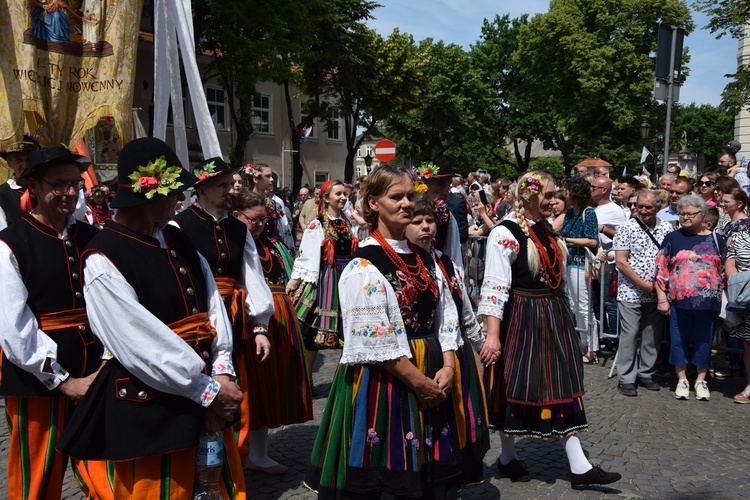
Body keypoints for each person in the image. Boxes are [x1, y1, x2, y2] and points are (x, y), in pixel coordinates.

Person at [57, 138, 246, 499]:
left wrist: (222, 370)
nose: (181, 200)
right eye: (174, 193)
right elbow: (140, 345)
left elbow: (212, 312)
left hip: (201, 392)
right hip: (152, 408)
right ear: (149, 195)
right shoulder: (103, 257)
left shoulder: (178, 241)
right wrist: (208, 392)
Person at [304, 165, 463, 498]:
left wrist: (448, 366)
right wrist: (420, 383)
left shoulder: (426, 257)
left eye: (410, 196)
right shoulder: (363, 265)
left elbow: (446, 314)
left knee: (427, 473)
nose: (406, 203)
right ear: (373, 203)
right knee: (386, 471)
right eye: (396, 197)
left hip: (431, 369)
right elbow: (375, 340)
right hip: (387, 379)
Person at [477, 171, 620, 487]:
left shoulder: (544, 229)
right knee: (516, 386)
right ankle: (509, 457)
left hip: (552, 316)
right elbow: (495, 288)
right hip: (523, 318)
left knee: (561, 385)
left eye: (557, 194)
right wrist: (493, 335)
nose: (556, 200)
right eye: (549, 194)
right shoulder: (505, 233)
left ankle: (575, 465)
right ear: (529, 195)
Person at [0, 145, 107, 500]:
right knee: (38, 476)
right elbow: (15, 328)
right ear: (33, 185)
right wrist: (62, 380)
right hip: (36, 380)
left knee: (105, 468)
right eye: (58, 185)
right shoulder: (10, 244)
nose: (70, 193)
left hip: (95, 372)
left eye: (75, 184)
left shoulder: (92, 238)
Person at [172, 157, 276, 470]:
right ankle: (201, 467)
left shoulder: (237, 228)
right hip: (198, 320)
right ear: (201, 190)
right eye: (223, 185)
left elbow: (251, 276)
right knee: (201, 396)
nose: (232, 188)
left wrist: (259, 326)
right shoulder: (180, 225)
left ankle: (235, 464)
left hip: (234, 319)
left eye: (232, 183)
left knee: (236, 393)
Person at [404, 196, 490, 486]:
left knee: (458, 416)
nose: (426, 227)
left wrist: (481, 344)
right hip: (423, 353)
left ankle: (453, 475)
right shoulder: (404, 265)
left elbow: (464, 308)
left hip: (457, 352)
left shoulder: (447, 262)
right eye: (417, 222)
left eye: (430, 221)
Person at [229, 191, 314, 472]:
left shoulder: (268, 242)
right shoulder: (232, 242)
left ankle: (258, 454)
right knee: (252, 384)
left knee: (268, 383)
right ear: (236, 215)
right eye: (255, 219)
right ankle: (242, 452)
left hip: (278, 313)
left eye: (264, 219)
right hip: (247, 318)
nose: (261, 224)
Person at [655, 194, 726, 401]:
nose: (684, 217)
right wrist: (662, 298)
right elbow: (661, 270)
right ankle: (682, 379)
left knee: (705, 342)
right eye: (681, 213)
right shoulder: (673, 238)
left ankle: (701, 380)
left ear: (702, 215)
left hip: (708, 302)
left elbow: (723, 270)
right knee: (678, 340)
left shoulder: (717, 239)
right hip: (679, 301)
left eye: (689, 214)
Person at [287, 180, 357, 385]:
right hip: (326, 278)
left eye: (344, 194)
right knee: (312, 335)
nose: (343, 197)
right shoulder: (317, 224)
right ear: (326, 198)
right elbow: (306, 256)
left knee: (348, 331)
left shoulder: (346, 221)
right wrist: (294, 282)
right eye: (338, 194)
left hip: (346, 277)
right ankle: (307, 380)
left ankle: (343, 381)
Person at [613, 190, 673, 397]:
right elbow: (621, 261)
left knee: (652, 334)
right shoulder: (626, 228)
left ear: (658, 207)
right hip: (631, 291)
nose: (644, 210)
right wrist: (643, 284)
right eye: (640, 206)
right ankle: (626, 377)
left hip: (657, 291)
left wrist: (657, 287)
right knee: (629, 335)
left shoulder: (666, 228)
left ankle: (646, 372)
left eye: (648, 207)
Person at [559, 177, 600, 364]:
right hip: (569, 263)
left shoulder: (588, 213)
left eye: (566, 190)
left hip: (582, 264)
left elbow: (591, 240)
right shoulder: (569, 213)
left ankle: (592, 348)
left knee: (585, 307)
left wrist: (567, 241)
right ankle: (582, 343)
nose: (564, 193)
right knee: (574, 306)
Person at [591, 176, 626, 337]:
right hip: (593, 261)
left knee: (609, 303)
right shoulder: (592, 208)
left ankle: (612, 337)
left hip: (609, 262)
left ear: (604, 190)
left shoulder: (615, 211)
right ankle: (600, 335)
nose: (591, 190)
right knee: (596, 302)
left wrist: (603, 229)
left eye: (594, 187)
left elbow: (622, 236)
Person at [0, 134, 41, 230]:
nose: (25, 165)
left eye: (28, 159)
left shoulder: (46, 187)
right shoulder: (2, 195)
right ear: (9, 163)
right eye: (18, 160)